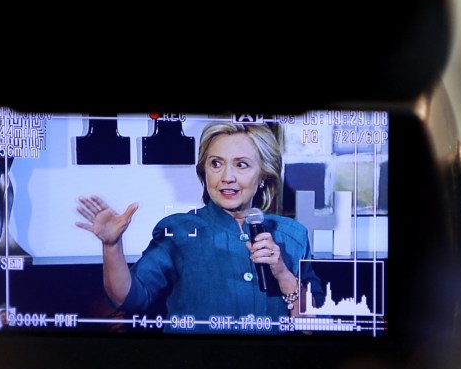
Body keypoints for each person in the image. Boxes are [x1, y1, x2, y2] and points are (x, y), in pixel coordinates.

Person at [75, 121, 322, 323]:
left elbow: (314, 327)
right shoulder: (178, 230)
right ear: (204, 172)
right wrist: (111, 246)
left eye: (241, 165)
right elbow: (129, 299)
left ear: (263, 176)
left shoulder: (293, 234)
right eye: (216, 164)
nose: (227, 177)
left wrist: (282, 274)